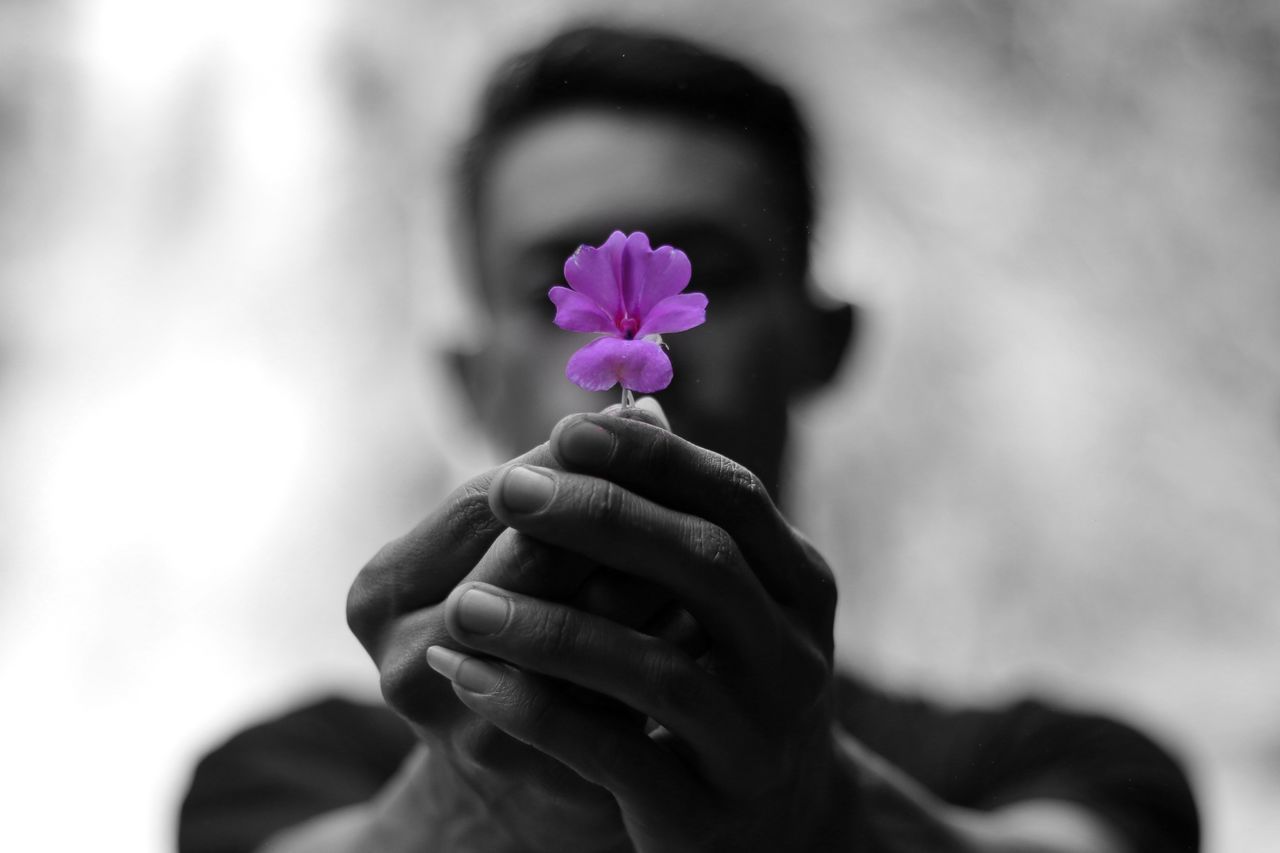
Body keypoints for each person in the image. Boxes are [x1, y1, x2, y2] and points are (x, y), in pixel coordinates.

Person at [179, 24, 1199, 852]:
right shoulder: (278, 772)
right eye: (552, 289)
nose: (656, 326)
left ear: (825, 339)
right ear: (466, 376)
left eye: (707, 273)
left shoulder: (1061, 762)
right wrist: (473, 804)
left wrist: (825, 820)